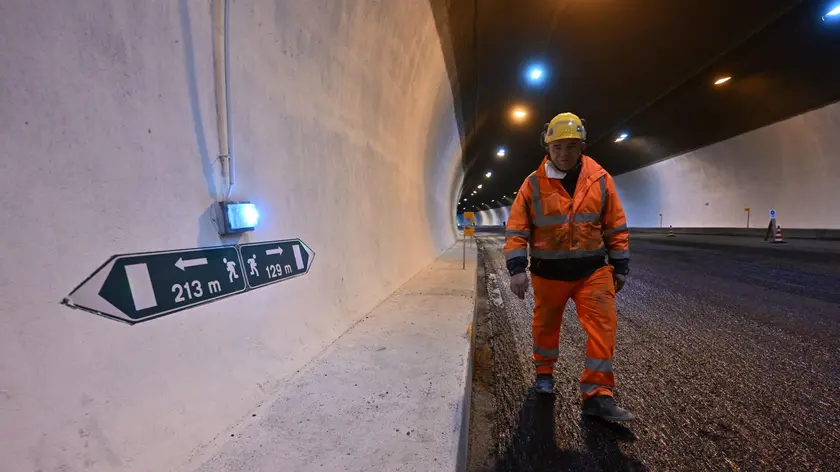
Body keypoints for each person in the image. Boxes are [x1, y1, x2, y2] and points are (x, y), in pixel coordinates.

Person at [504, 112, 633, 422]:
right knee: (546, 326)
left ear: (582, 147)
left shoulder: (600, 179)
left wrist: (620, 265)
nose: (565, 153)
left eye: (572, 146)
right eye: (558, 146)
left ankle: (598, 394)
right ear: (547, 147)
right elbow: (517, 228)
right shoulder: (533, 185)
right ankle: (544, 373)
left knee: (604, 327)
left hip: (592, 271)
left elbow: (615, 225)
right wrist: (517, 268)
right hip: (549, 274)